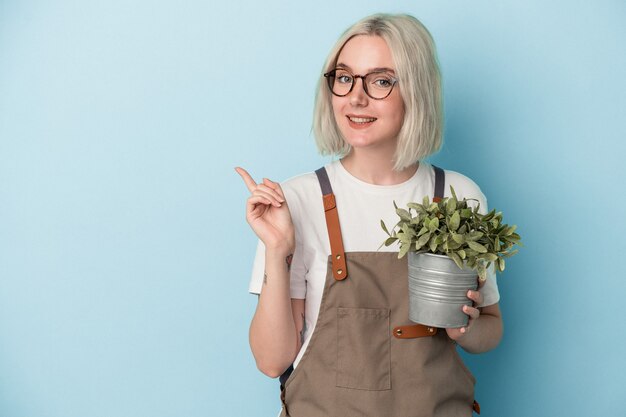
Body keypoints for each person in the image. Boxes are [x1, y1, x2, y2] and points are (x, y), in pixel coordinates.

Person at [236, 13, 502, 417]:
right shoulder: (297, 200)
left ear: (416, 91)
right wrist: (277, 249)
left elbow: (491, 329)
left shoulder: (458, 197)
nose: (355, 98)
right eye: (344, 78)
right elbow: (272, 361)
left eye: (380, 81)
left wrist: (462, 325)